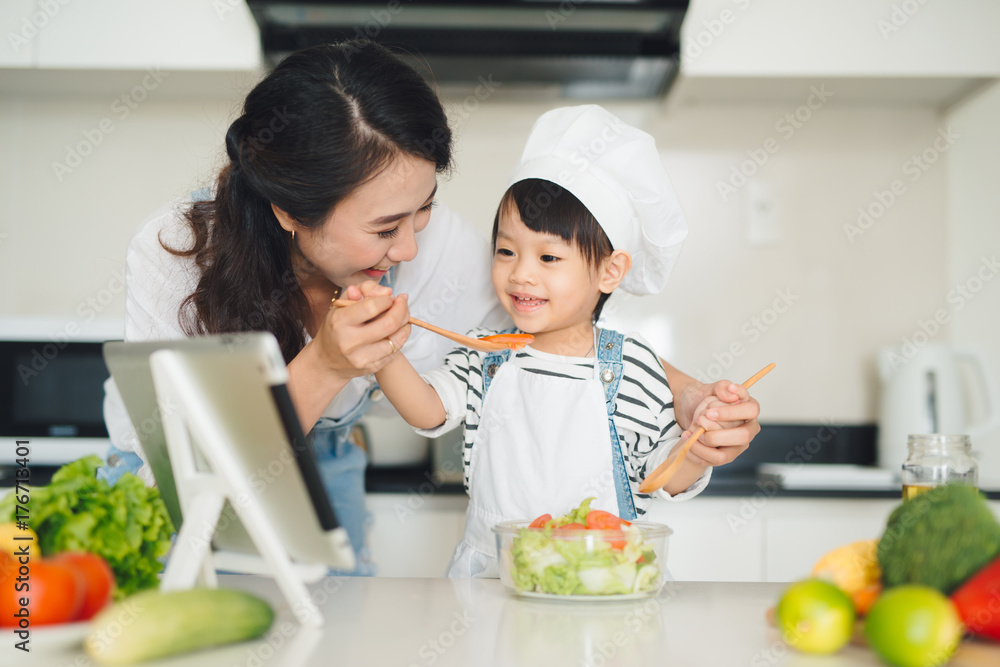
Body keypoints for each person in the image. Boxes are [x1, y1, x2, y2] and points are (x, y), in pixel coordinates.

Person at [101, 41, 760, 575]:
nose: (412, 245)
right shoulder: (177, 253)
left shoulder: (437, 247)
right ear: (290, 211)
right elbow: (193, 463)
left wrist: (693, 394)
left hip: (324, 470)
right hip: (173, 481)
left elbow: (562, 331)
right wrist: (326, 364)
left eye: (424, 210)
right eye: (387, 227)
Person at [369, 105, 757, 578]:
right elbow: (427, 409)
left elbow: (660, 476)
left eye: (549, 257)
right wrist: (380, 349)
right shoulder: (484, 350)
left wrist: (695, 452)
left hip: (601, 579)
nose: (521, 273)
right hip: (496, 578)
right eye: (506, 251)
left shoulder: (632, 367)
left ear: (610, 271)